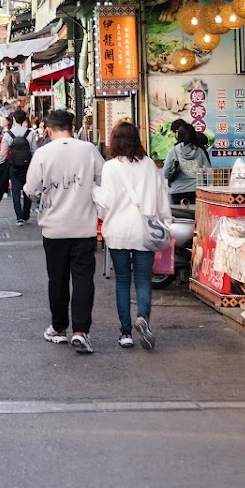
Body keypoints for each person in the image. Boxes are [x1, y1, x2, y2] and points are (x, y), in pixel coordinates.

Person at [24, 109, 104, 354]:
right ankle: (81, 332)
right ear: (73, 125)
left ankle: (58, 329)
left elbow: (31, 189)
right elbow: (103, 180)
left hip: (54, 228)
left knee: (57, 280)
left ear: (48, 129)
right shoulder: (89, 150)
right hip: (84, 227)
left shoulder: (43, 153)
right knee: (83, 280)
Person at [94, 122, 169, 351]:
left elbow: (105, 202)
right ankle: (143, 318)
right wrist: (165, 221)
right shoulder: (148, 165)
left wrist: (92, 191)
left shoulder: (110, 167)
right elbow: (161, 196)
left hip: (118, 231)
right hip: (144, 231)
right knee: (144, 280)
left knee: (123, 282)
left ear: (114, 140)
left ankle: (125, 333)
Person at [0, 109, 36, 225]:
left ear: (14, 120)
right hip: (27, 166)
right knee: (27, 190)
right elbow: (33, 151)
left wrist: (1, 164)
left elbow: (3, 153)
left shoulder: (8, 135)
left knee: (15, 191)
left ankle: (19, 217)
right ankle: (26, 215)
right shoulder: (30, 133)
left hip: (13, 166)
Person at [163, 122, 211, 206]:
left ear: (179, 136)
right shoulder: (200, 152)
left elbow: (165, 174)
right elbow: (208, 173)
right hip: (196, 191)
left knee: (180, 216)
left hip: (177, 191)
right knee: (196, 216)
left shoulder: (173, 151)